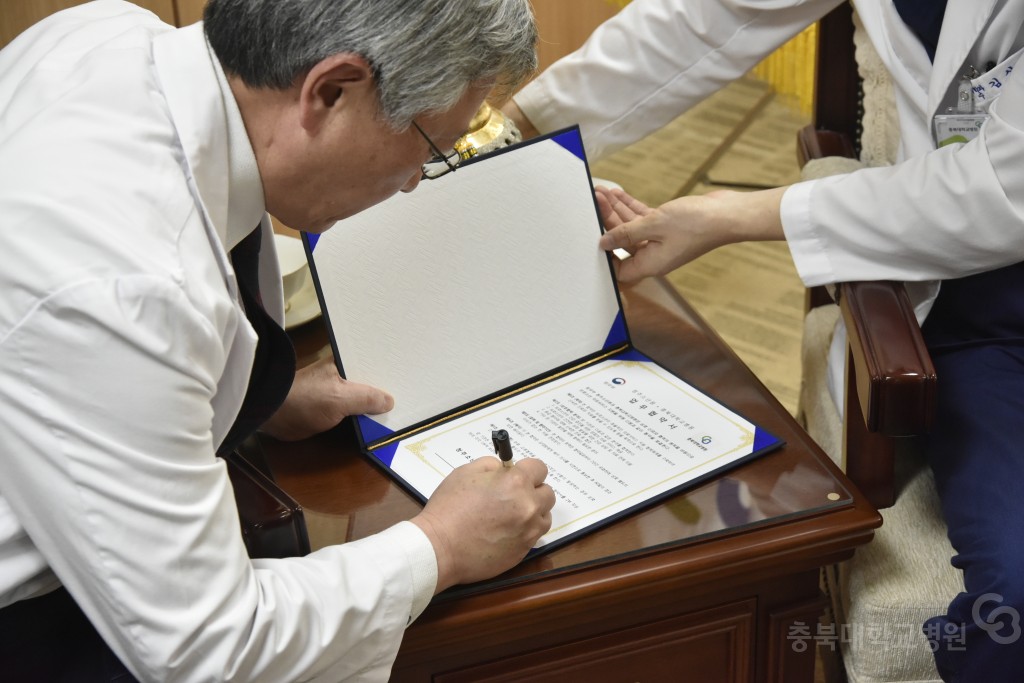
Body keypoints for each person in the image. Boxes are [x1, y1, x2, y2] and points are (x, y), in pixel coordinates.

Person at [0, 0, 555, 680]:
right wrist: (439, 544)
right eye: (430, 145)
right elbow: (209, 647)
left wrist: (234, 394)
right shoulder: (125, 286)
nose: (414, 182)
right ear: (329, 91)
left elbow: (81, 385)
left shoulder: (104, 30)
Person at [504, 0, 1024, 680]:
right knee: (1013, 599)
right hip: (983, 319)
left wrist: (734, 216)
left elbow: (999, 191)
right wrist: (510, 131)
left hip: (998, 274)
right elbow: (711, 16)